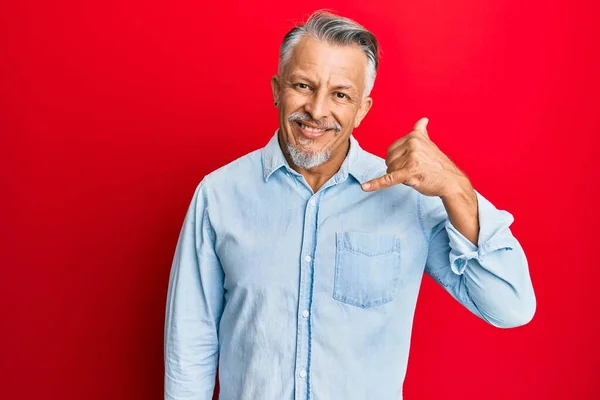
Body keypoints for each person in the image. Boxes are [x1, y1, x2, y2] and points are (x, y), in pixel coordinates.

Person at [163, 10, 536, 400]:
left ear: (362, 109)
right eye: (303, 85)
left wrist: (457, 189)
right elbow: (190, 342)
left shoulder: (410, 197)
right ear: (277, 89)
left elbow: (510, 306)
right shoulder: (218, 194)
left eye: (340, 94)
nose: (318, 110)